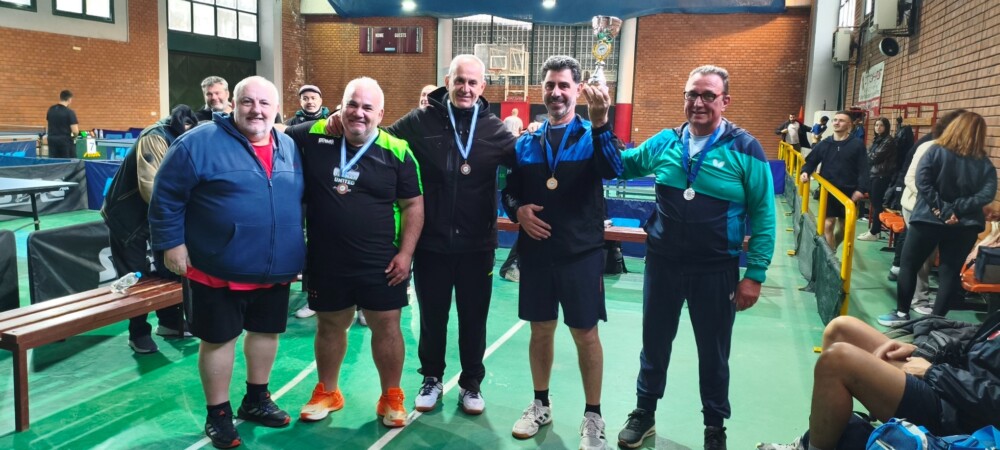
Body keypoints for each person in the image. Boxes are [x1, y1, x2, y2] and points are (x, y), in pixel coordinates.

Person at [325, 55, 517, 415]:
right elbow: (378, 139)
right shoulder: (420, 120)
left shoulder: (494, 129)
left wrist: (522, 204)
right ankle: (431, 378)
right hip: (431, 243)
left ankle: (471, 383)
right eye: (459, 81)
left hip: (477, 245)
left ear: (482, 87)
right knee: (432, 316)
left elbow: (524, 168)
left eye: (473, 83)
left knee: (474, 318)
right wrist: (338, 120)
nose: (465, 88)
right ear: (448, 81)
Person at [615, 65, 775, 450]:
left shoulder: (745, 148)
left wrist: (755, 274)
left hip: (716, 270)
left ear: (725, 101)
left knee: (714, 353)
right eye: (692, 94)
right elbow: (623, 164)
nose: (698, 102)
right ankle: (644, 412)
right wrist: (599, 127)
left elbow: (764, 214)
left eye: (708, 95)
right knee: (654, 344)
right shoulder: (666, 142)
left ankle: (714, 428)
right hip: (663, 265)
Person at [150, 76, 305, 449]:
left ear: (276, 108)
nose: (256, 110)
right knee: (219, 340)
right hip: (216, 266)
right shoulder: (197, 142)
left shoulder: (288, 145)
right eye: (248, 101)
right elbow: (166, 195)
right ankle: (218, 414)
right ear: (233, 104)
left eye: (265, 103)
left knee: (266, 333)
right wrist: (171, 244)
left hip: (274, 265)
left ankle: (256, 400)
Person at [501, 55, 623, 450]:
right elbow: (509, 191)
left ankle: (593, 415)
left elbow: (612, 169)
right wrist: (517, 211)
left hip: (581, 253)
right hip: (537, 253)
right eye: (550, 85)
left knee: (585, 334)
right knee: (540, 330)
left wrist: (601, 122)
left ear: (577, 90)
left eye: (564, 86)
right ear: (542, 90)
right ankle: (541, 404)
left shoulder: (591, 135)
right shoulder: (526, 142)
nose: (556, 93)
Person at [289, 77, 424, 428]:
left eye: (367, 107)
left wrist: (406, 254)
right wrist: (327, 119)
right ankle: (327, 391)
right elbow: (274, 133)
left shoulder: (398, 150)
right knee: (330, 325)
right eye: (352, 104)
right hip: (327, 258)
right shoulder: (317, 135)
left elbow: (413, 204)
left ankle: (391, 395)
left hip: (381, 261)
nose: (358, 113)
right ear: (340, 106)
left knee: (387, 326)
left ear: (381, 114)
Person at [757, 313, 1000, 450]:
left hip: (960, 412)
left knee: (838, 361)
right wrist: (922, 351)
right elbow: (974, 348)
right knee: (841, 329)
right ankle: (818, 436)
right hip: (953, 381)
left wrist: (932, 372)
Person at [879, 111, 997, 326]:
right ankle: (935, 321)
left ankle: (901, 314)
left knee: (909, 265)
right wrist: (958, 209)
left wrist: (942, 209)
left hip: (928, 220)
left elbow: (922, 182)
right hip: (965, 225)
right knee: (949, 273)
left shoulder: (934, 151)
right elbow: (986, 194)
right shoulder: (984, 163)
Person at [101, 105, 198, 354]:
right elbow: (150, 187)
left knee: (168, 269)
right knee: (134, 275)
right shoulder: (154, 137)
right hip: (128, 218)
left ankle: (169, 323)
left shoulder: (192, 140)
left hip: (158, 216)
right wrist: (179, 219)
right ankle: (138, 333)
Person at [889, 110, 967, 306]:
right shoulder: (929, 146)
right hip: (916, 206)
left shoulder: (963, 152)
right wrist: (936, 202)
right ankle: (918, 299)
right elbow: (912, 179)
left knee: (928, 255)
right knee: (922, 256)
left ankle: (919, 296)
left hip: (942, 210)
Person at [799, 111, 869, 249]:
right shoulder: (825, 143)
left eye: (841, 120)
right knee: (828, 224)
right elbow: (811, 161)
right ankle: (830, 257)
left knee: (844, 228)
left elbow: (864, 169)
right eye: (835, 120)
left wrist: (861, 190)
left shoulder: (857, 144)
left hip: (849, 192)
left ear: (849, 125)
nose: (837, 123)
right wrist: (805, 172)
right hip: (828, 191)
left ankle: (832, 250)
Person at [857, 117, 898, 241]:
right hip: (873, 174)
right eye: (876, 125)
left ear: (886, 127)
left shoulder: (888, 141)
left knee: (877, 204)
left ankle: (874, 232)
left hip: (881, 176)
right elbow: (869, 155)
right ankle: (875, 230)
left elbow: (874, 158)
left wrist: (866, 156)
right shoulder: (878, 139)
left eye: (881, 125)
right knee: (874, 204)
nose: (878, 127)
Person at [46, 90, 79, 159]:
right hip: (65, 142)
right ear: (69, 99)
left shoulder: (51, 109)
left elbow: (48, 125)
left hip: (52, 140)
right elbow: (75, 131)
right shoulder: (69, 112)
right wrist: (72, 138)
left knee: (53, 162)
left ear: (60, 97)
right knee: (66, 163)